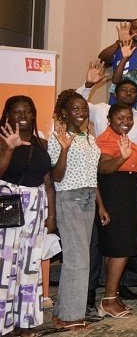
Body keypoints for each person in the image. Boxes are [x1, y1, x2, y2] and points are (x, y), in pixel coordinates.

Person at [0, 96, 55, 336]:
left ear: (33, 115)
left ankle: (25, 321)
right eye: (16, 112)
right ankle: (4, 323)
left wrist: (51, 216)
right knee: (5, 268)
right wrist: (10, 148)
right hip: (9, 209)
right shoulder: (2, 140)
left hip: (35, 210)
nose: (22, 116)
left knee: (30, 267)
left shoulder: (41, 142)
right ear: (7, 116)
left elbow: (48, 182)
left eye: (27, 111)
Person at [48, 90, 102, 330]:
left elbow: (93, 175)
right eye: (75, 109)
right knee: (78, 259)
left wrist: (101, 205)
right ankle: (70, 316)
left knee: (79, 259)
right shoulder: (58, 137)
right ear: (64, 113)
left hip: (89, 198)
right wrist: (64, 149)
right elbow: (56, 176)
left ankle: (63, 312)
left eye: (84, 109)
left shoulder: (89, 137)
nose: (81, 114)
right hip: (69, 198)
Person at [95, 103, 137, 318]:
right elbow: (103, 169)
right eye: (120, 118)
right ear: (109, 119)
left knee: (121, 247)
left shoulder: (125, 140)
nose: (126, 121)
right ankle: (107, 300)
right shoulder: (105, 140)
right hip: (116, 194)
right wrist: (123, 157)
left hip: (128, 193)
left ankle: (112, 296)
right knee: (120, 248)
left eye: (129, 117)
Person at [78, 59, 137, 143]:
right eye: (124, 90)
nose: (129, 93)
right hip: (104, 154)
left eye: (133, 91)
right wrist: (88, 84)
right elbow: (76, 103)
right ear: (115, 95)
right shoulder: (101, 109)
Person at [98, 19, 137, 104]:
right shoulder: (119, 49)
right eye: (136, 28)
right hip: (117, 101)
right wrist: (120, 42)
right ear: (129, 30)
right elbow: (101, 59)